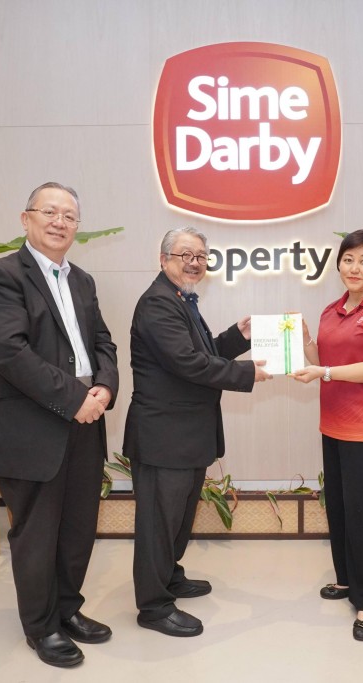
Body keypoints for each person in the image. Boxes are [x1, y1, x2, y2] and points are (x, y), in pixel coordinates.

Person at [0, 182, 119, 668]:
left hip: (86, 419)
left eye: (70, 216)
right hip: (34, 427)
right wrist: (75, 397)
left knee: (78, 528)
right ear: (26, 219)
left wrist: (104, 388)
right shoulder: (3, 276)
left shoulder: (82, 280)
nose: (60, 222)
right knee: (37, 533)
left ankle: (68, 609)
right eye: (50, 212)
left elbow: (103, 343)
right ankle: (41, 628)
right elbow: (11, 354)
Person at [125, 227, 271, 638]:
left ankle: (169, 577)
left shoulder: (181, 300)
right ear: (163, 258)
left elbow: (201, 353)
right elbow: (188, 364)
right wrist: (249, 373)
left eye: (201, 256)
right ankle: (153, 606)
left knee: (178, 518)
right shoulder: (157, 303)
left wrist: (236, 337)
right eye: (184, 254)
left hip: (186, 436)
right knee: (159, 523)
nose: (194, 262)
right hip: (163, 438)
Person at [291, 229, 363, 642]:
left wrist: (322, 371)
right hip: (334, 423)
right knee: (338, 507)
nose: (354, 268)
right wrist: (303, 344)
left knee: (362, 514)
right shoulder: (332, 308)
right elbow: (326, 360)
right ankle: (345, 580)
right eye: (347, 259)